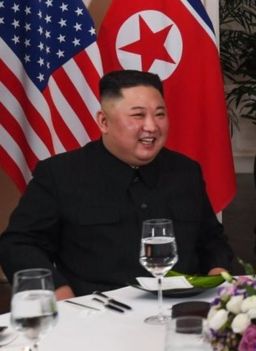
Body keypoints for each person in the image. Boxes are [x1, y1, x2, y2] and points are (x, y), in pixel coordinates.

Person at [0, 70, 233, 299]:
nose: (152, 127)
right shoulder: (60, 174)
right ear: (104, 121)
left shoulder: (185, 171)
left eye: (160, 114)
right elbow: (19, 244)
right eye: (138, 116)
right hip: (95, 314)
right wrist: (58, 292)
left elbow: (211, 239)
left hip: (180, 307)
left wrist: (218, 276)